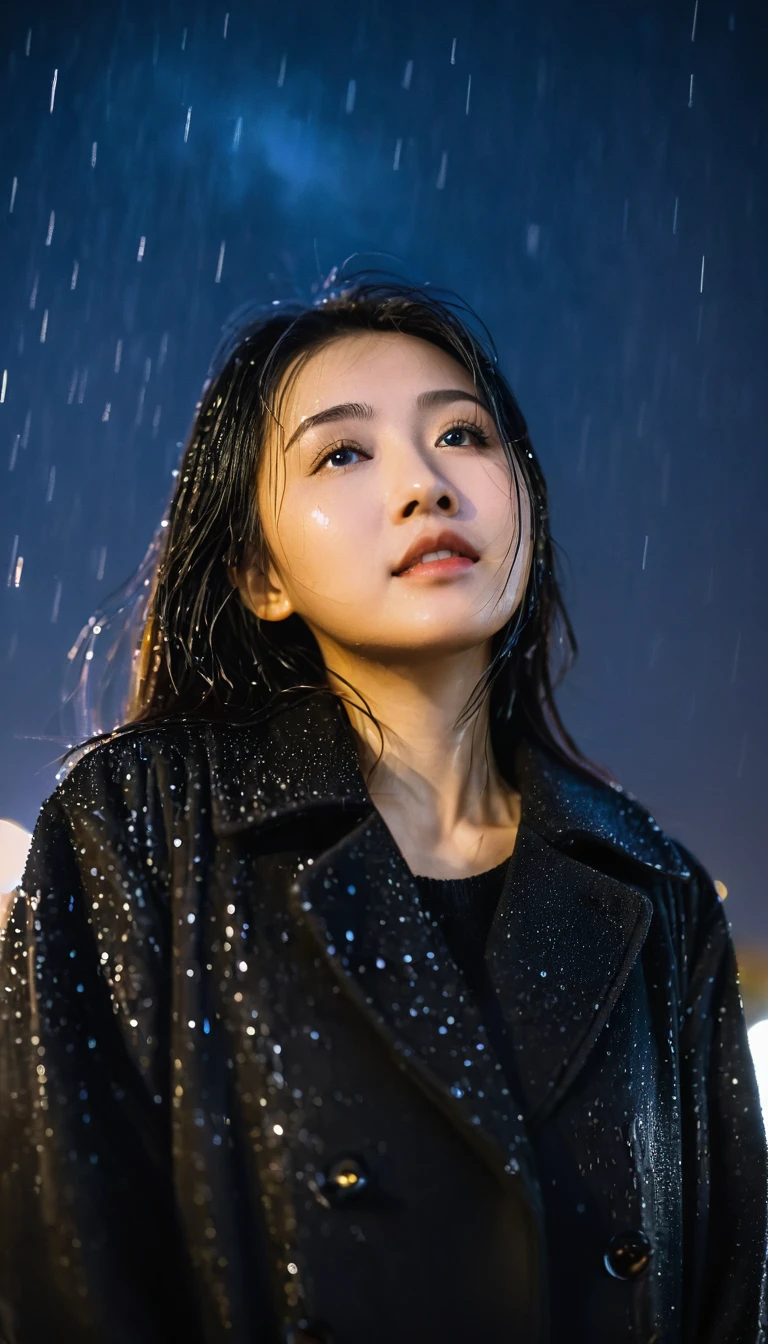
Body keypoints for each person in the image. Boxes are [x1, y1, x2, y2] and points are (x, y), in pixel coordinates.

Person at [1, 273, 766, 1344]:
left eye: (463, 436)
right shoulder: (137, 827)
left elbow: (728, 1300)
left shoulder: (658, 893)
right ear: (260, 572)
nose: (426, 485)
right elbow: (67, 1275)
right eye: (344, 452)